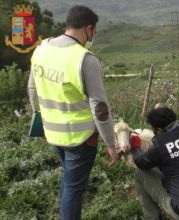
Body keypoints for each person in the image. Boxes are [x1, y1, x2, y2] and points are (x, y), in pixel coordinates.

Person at [28, 5, 118, 220]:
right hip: (80, 139)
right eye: (93, 31)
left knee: (70, 183)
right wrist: (110, 143)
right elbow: (100, 109)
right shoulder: (85, 59)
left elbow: (32, 89)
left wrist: (39, 118)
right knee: (74, 189)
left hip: (52, 133)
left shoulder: (41, 49)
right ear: (89, 28)